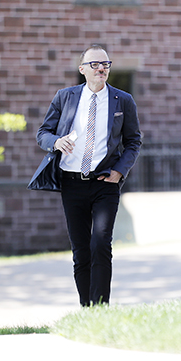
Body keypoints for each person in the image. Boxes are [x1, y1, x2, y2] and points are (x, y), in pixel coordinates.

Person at [33, 44, 141, 306]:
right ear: (82, 70)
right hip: (72, 183)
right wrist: (57, 142)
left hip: (105, 182)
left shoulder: (122, 100)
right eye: (95, 64)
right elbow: (43, 134)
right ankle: (87, 308)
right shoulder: (65, 97)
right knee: (81, 251)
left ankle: (101, 307)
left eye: (106, 64)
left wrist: (119, 171)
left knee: (101, 244)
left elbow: (133, 141)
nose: (101, 68)